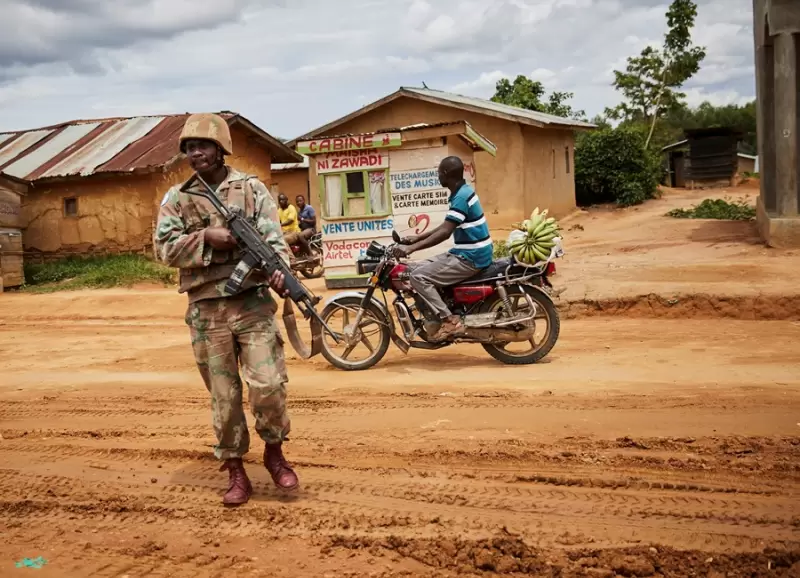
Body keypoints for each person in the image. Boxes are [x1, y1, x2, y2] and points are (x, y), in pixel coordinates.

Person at [154, 113, 299, 506]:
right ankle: (235, 470)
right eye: (188, 147)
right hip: (207, 310)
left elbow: (274, 240)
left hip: (252, 303)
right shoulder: (178, 198)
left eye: (202, 145)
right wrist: (207, 238)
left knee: (268, 384)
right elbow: (163, 249)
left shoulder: (251, 190)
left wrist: (280, 272)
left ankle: (274, 453)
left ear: (221, 149)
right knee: (224, 396)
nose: (194, 153)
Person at [391, 156, 492, 341]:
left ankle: (449, 321)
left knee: (418, 277)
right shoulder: (461, 192)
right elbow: (447, 225)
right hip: (466, 252)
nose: (437, 176)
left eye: (439, 173)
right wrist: (417, 237)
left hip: (471, 257)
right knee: (415, 267)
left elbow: (445, 232)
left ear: (446, 174)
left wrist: (411, 248)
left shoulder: (461, 197)